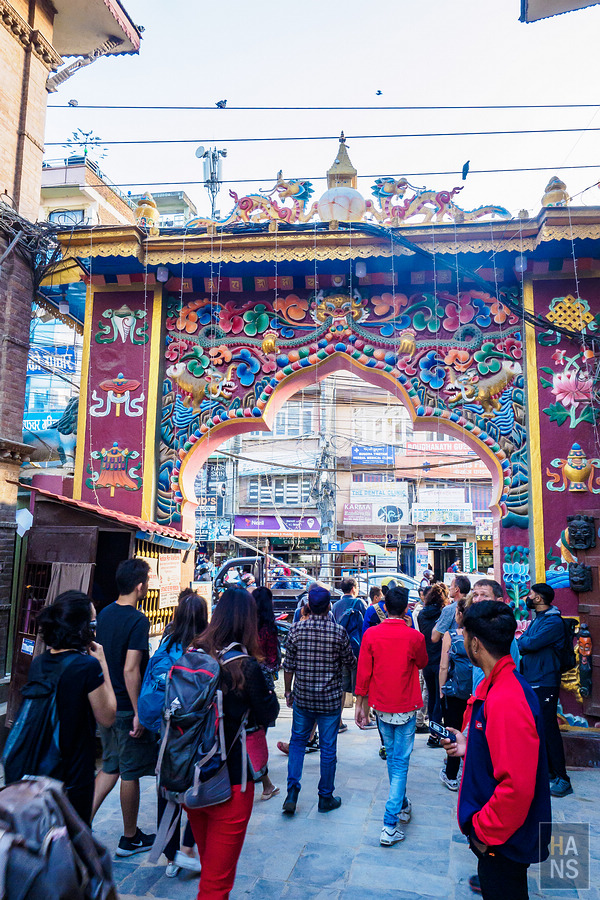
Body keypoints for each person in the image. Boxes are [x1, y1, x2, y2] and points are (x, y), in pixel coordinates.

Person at [442, 601, 551, 900]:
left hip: (502, 840)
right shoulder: (499, 685)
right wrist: (469, 745)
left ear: (475, 644)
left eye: (464, 635)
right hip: (502, 837)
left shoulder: (506, 697)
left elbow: (516, 786)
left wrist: (481, 832)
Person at [188, 587, 279, 899]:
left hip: (192, 777)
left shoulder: (193, 654)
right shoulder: (245, 666)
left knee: (210, 870)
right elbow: (269, 713)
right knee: (216, 885)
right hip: (231, 782)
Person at [26, 591, 117, 824]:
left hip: (38, 770)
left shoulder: (39, 663)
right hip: (73, 775)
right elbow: (107, 716)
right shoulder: (86, 667)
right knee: (72, 844)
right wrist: (102, 663)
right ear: (82, 628)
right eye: (93, 622)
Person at [92, 558, 157, 857]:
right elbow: (132, 670)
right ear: (140, 586)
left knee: (110, 766)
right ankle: (129, 838)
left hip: (105, 703)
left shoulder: (104, 614)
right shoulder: (138, 620)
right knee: (129, 772)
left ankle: (80, 823)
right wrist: (139, 713)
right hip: (126, 709)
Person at [355, 586, 428, 846]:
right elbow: (422, 662)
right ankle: (389, 822)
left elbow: (363, 672)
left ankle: (402, 803)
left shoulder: (372, 635)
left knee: (394, 760)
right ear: (407, 607)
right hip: (406, 706)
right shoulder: (413, 638)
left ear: (384, 607)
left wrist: (359, 705)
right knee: (400, 762)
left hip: (382, 706)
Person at [143, 588, 208, 878]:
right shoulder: (207, 647)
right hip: (195, 732)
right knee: (196, 789)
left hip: (167, 729)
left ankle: (170, 857)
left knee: (166, 790)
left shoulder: (167, 642)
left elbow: (149, 677)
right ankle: (189, 849)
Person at [282, 583, 356, 815]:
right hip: (330, 701)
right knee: (328, 748)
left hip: (303, 698)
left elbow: (288, 667)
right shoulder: (338, 632)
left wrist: (287, 691)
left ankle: (292, 792)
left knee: (297, 743)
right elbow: (350, 662)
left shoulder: (296, 630)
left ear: (308, 606)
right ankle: (325, 796)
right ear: (329, 608)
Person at [519, 582, 573, 798]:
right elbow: (524, 640)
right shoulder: (539, 619)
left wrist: (526, 641)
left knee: (549, 728)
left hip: (546, 679)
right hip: (534, 678)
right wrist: (526, 640)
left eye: (531, 594)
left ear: (539, 599)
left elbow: (527, 644)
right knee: (540, 726)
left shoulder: (553, 623)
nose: (528, 597)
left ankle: (563, 778)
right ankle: (550, 771)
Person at [438, 594, 473, 791]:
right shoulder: (479, 634)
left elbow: (444, 667)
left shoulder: (451, 635)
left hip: (455, 691)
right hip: (475, 693)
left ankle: (452, 775)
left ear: (459, 614)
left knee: (452, 732)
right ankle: (470, 773)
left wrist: (441, 690)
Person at [253, 586, 281, 801]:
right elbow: (273, 658)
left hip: (244, 676)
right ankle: (259, 770)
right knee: (260, 727)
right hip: (262, 681)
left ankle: (254, 767)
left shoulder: (247, 625)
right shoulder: (269, 628)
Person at [332, 576, 367, 730]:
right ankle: (364, 718)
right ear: (354, 588)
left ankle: (338, 721)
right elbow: (366, 625)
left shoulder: (335, 605)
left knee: (340, 687)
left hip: (339, 649)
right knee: (361, 685)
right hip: (357, 649)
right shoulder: (359, 603)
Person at [417, 582, 448, 746]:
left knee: (431, 695)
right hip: (441, 660)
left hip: (427, 660)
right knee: (439, 698)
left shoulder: (421, 614)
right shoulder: (444, 613)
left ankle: (433, 733)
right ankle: (436, 734)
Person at [431, 575, 471, 645]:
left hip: (454, 650)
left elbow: (434, 637)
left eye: (451, 586)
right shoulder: (473, 606)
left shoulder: (449, 609)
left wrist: (439, 622)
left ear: (456, 589)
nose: (449, 588)